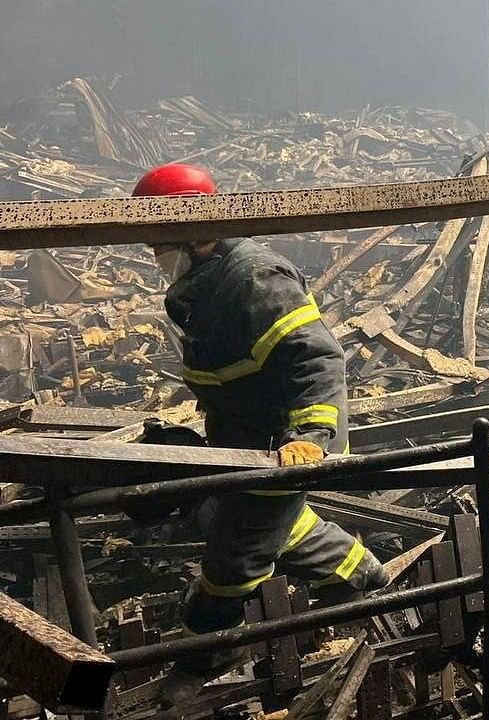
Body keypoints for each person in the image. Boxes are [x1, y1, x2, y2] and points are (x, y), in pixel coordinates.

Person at [134, 163, 388, 706]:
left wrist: (314, 438)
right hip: (240, 443)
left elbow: (316, 360)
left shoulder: (254, 278)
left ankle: (207, 651)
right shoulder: (204, 286)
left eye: (158, 238)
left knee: (231, 560)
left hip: (282, 447)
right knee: (272, 525)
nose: (154, 252)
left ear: (191, 230)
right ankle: (361, 574)